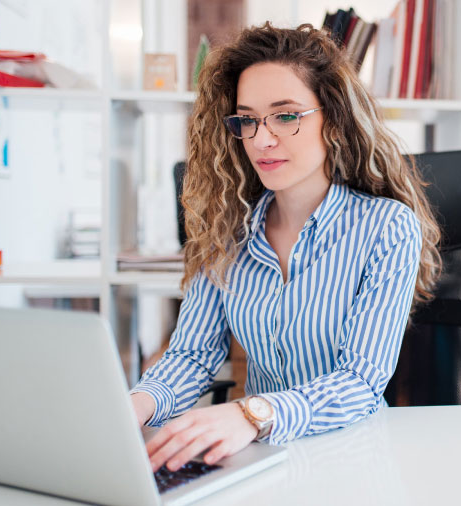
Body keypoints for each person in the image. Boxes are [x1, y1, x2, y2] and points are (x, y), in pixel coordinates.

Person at [129, 22, 441, 474]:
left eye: (286, 115)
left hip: (352, 462)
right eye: (248, 119)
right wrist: (132, 407)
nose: (262, 139)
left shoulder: (387, 228)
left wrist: (250, 414)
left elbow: (360, 382)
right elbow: (191, 356)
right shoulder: (228, 231)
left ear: (332, 121)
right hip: (260, 461)